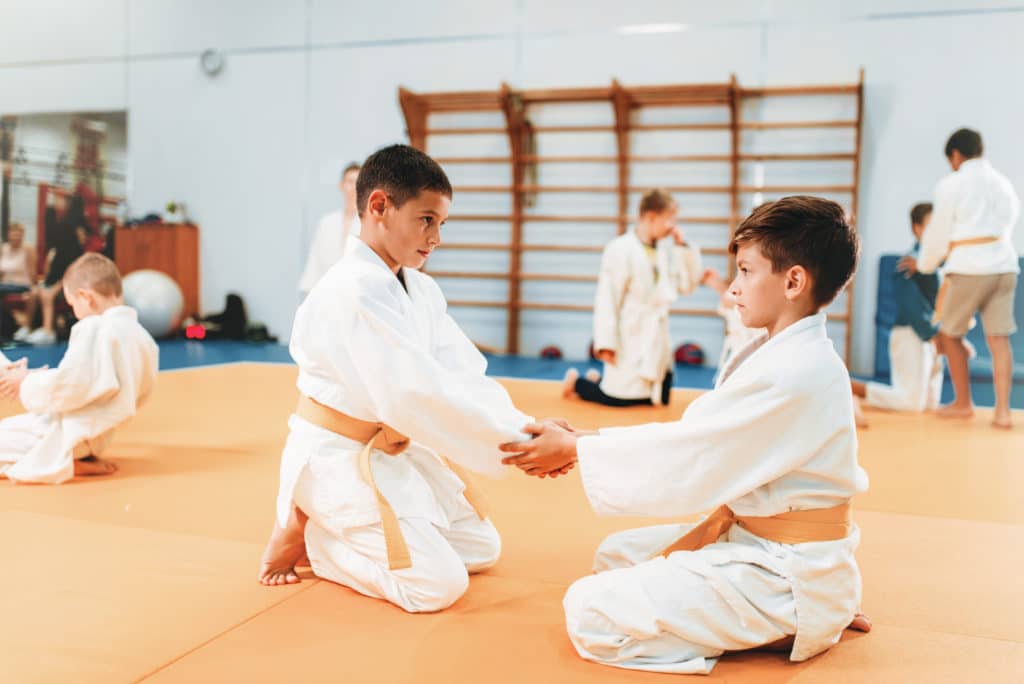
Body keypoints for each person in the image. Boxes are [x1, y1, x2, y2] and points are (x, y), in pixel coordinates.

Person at [501, 196, 870, 675]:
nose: (733, 288)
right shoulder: (784, 354)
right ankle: (809, 611)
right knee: (615, 556)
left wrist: (576, 448)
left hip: (786, 568)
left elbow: (692, 453)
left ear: (793, 281)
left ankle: (796, 621)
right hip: (765, 543)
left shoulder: (798, 370)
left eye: (745, 271)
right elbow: (697, 437)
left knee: (589, 611)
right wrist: (583, 439)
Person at [258, 145, 540, 613]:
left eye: (441, 224)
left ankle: (331, 532)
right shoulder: (352, 291)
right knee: (438, 587)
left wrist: (526, 429)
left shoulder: (420, 289)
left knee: (482, 547)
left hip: (388, 450)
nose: (436, 238)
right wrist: (516, 445)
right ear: (379, 207)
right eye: (426, 220)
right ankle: (318, 541)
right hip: (338, 456)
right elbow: (413, 395)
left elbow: (463, 373)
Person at [0, 253, 158, 484]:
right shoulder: (142, 338)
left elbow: (72, 386)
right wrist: (35, 377)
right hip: (96, 436)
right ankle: (73, 459)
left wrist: (26, 383)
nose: (75, 313)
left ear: (86, 297)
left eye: (73, 305)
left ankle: (65, 463)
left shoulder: (94, 327)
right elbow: (93, 383)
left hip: (65, 435)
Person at [918, 128, 1020, 429]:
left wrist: (926, 264)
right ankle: (1003, 412)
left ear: (955, 155)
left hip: (970, 267)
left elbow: (938, 231)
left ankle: (963, 403)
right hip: (1004, 265)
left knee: (950, 333)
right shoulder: (1003, 184)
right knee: (999, 339)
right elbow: (1009, 220)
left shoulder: (951, 183)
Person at [562, 189, 702, 407]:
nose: (672, 226)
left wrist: (683, 248)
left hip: (656, 335)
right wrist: (606, 342)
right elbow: (607, 298)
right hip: (630, 332)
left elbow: (687, 285)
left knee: (655, 400)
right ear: (651, 217)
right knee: (620, 398)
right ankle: (579, 383)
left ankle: (595, 379)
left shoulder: (666, 252)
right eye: (669, 220)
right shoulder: (620, 248)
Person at [852, 203, 944, 417]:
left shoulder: (934, 262)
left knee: (930, 404)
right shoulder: (909, 261)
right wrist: (932, 335)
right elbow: (911, 304)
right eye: (932, 226)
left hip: (932, 333)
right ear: (917, 229)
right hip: (911, 333)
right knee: (911, 403)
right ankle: (855, 388)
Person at [23, 194, 89, 345]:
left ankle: (48, 331)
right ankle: (26, 328)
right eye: (81, 233)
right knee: (33, 293)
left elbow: (71, 275)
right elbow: (52, 273)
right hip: (56, 281)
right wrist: (44, 285)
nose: (83, 236)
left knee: (47, 295)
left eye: (84, 234)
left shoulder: (78, 253)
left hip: (69, 284)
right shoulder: (59, 250)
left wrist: (55, 287)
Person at [299, 162, 362, 295]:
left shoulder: (367, 224)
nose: (353, 187)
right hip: (327, 296)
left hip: (356, 297)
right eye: (350, 181)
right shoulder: (327, 223)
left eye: (358, 182)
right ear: (341, 185)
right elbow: (314, 263)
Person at [701, 266, 763, 376]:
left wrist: (717, 284)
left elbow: (730, 301)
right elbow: (729, 301)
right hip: (735, 346)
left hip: (748, 350)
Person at [0, 222, 40, 341]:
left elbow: (33, 273)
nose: (16, 236)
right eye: (14, 233)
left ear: (22, 235)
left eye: (19, 234)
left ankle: (24, 328)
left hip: (22, 285)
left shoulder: (28, 249)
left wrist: (34, 287)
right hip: (4, 285)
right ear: (9, 234)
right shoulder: (3, 249)